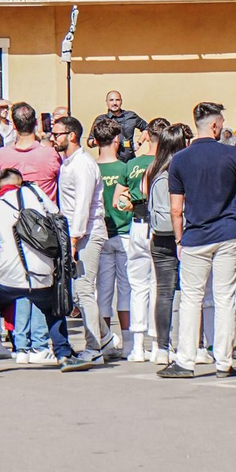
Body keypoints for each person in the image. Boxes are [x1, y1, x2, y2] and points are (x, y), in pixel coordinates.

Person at [157, 102, 236, 379]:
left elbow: (176, 208)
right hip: (229, 232)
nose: (222, 127)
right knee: (225, 297)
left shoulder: (180, 160)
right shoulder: (233, 154)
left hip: (196, 235)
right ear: (214, 125)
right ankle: (224, 361)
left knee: (191, 298)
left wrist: (179, 239)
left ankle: (185, 360)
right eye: (221, 123)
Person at [0, 168, 95, 374]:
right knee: (52, 308)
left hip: (8, 274)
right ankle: (64, 355)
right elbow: (56, 216)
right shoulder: (35, 193)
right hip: (42, 272)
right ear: (20, 182)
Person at [51, 115, 109, 360]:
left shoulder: (83, 164)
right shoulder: (68, 163)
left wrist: (74, 239)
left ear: (71, 135)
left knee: (84, 290)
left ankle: (94, 348)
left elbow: (83, 204)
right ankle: (106, 338)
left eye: (57, 134)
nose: (53, 138)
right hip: (76, 233)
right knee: (78, 292)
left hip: (88, 233)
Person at [144, 124, 189, 365]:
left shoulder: (154, 170)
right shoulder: (180, 170)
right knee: (188, 293)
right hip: (181, 235)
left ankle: (162, 346)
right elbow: (177, 209)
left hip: (159, 236)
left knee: (163, 292)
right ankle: (188, 344)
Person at [121, 117, 162, 361]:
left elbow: (119, 199)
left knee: (137, 286)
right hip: (158, 225)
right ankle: (157, 344)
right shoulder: (166, 163)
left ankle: (137, 346)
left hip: (136, 225)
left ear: (147, 136)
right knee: (157, 285)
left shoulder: (132, 164)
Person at [92, 116, 134, 353]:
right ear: (117, 140)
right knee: (126, 289)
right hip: (125, 232)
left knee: (103, 291)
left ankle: (105, 341)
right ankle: (128, 344)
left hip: (101, 234)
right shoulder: (124, 168)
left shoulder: (91, 167)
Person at [0, 103, 61, 200]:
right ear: (36, 123)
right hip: (43, 208)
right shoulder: (51, 154)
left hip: (14, 207)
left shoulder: (2, 154)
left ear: (14, 125)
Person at [93, 89, 146, 162]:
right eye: (111, 100)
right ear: (106, 102)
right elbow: (90, 142)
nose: (114, 103)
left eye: (117, 100)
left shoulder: (131, 116)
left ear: (121, 101)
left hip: (129, 162)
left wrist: (139, 143)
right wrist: (103, 141)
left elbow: (147, 128)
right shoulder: (101, 120)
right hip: (108, 162)